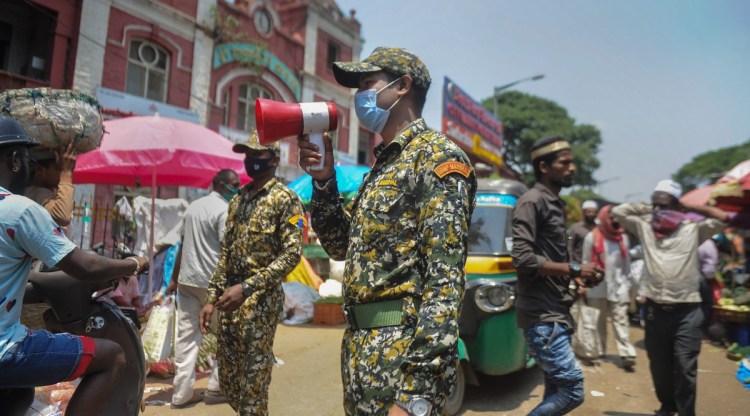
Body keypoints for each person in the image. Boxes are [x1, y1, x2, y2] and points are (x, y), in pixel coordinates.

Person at [298, 47, 477, 416]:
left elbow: (444, 283)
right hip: (363, 350)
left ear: (402, 87)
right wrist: (325, 181)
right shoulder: (382, 167)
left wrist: (416, 395)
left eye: (367, 84)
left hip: (402, 357)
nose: (359, 95)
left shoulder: (438, 159)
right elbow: (338, 246)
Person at [0, 115, 149, 415]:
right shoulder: (18, 210)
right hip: (5, 349)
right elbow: (85, 267)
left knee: (18, 396)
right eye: (27, 159)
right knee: (112, 356)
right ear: (16, 160)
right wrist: (131, 264)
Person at [199, 133, 303, 415]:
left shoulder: (286, 200)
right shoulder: (239, 200)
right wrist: (211, 298)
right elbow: (226, 255)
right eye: (247, 155)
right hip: (229, 302)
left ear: (275, 159)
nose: (251, 161)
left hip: (260, 304)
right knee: (231, 384)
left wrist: (247, 287)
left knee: (253, 390)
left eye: (257, 155)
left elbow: (292, 254)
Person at [611, 179, 728, 416]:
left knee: (685, 366)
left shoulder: (693, 229)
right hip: (655, 310)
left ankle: (686, 413)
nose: (657, 212)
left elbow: (722, 217)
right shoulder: (645, 226)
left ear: (677, 206)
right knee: (660, 364)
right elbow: (617, 212)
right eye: (655, 206)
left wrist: (688, 207)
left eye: (663, 206)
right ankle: (667, 405)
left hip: (688, 311)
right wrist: (651, 206)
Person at [511, 136, 603, 415]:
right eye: (565, 162)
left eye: (572, 161)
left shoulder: (555, 204)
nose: (572, 167)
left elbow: (550, 259)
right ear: (544, 167)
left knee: (555, 390)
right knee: (572, 390)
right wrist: (575, 268)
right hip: (543, 316)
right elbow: (523, 258)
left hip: (557, 311)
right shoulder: (532, 201)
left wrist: (578, 276)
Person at [167, 169, 239, 409]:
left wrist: (174, 278)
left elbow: (182, 245)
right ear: (219, 185)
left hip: (188, 281)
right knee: (225, 335)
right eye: (233, 185)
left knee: (186, 338)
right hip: (212, 284)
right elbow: (227, 250)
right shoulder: (224, 210)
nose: (236, 189)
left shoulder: (193, 207)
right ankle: (216, 386)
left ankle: (182, 394)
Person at [581, 204, 637, 371]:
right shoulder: (592, 237)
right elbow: (585, 261)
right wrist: (584, 284)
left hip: (618, 286)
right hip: (597, 286)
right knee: (597, 321)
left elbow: (626, 264)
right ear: (604, 217)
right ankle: (597, 351)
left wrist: (628, 284)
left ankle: (627, 353)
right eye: (611, 217)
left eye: (616, 217)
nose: (614, 220)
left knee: (621, 319)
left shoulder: (622, 238)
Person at [24, 143, 77, 230]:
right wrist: (67, 173)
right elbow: (63, 216)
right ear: (39, 170)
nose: (62, 174)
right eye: (60, 169)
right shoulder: (37, 194)